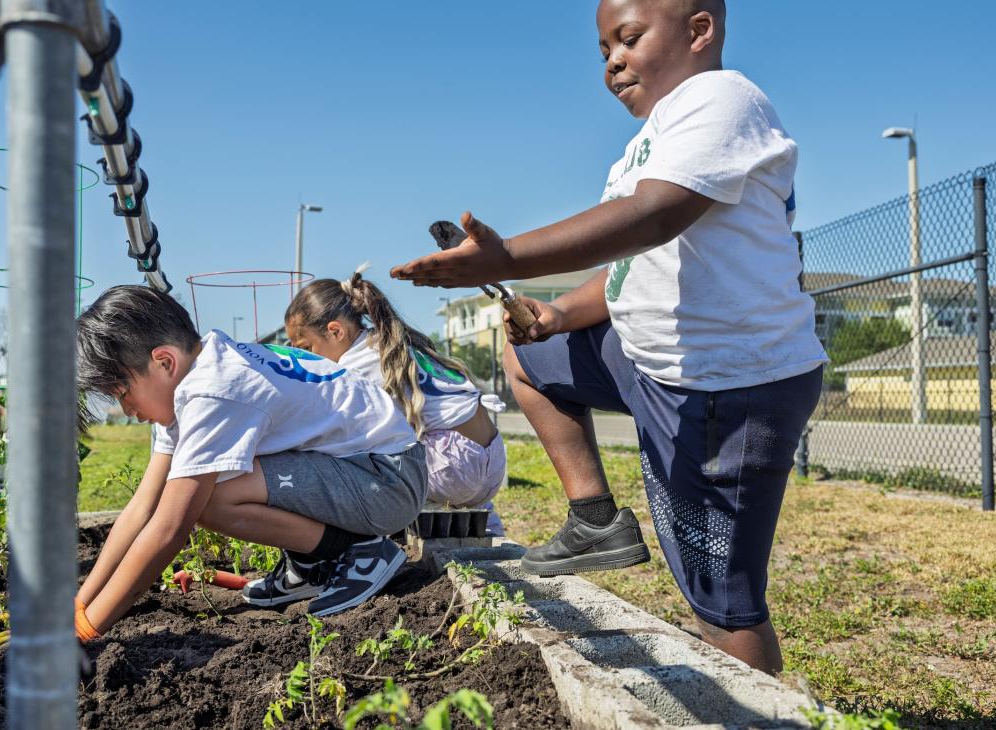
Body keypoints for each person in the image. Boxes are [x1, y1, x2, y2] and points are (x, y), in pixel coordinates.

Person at [390, 0, 826, 675]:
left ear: (699, 31)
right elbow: (633, 266)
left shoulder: (723, 99)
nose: (613, 61)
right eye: (603, 52)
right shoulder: (647, 145)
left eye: (627, 39)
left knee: (719, 597)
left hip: (728, 382)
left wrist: (506, 260)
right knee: (529, 354)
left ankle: (764, 713)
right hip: (653, 362)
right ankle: (594, 518)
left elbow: (651, 219)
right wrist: (558, 315)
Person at [72, 285, 427, 640]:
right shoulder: (195, 377)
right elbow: (142, 507)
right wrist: (81, 603)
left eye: (123, 394)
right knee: (203, 490)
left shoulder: (213, 389)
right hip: (365, 473)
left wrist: (86, 632)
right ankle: (313, 563)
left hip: (387, 480)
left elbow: (169, 528)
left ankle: (358, 554)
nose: (128, 412)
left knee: (208, 499)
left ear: (165, 362)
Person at [284, 268, 508, 535]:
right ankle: (490, 530)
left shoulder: (357, 364)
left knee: (341, 457)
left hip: (454, 466)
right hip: (491, 461)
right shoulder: (390, 341)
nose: (308, 358)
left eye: (306, 348)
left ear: (335, 332)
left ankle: (370, 543)